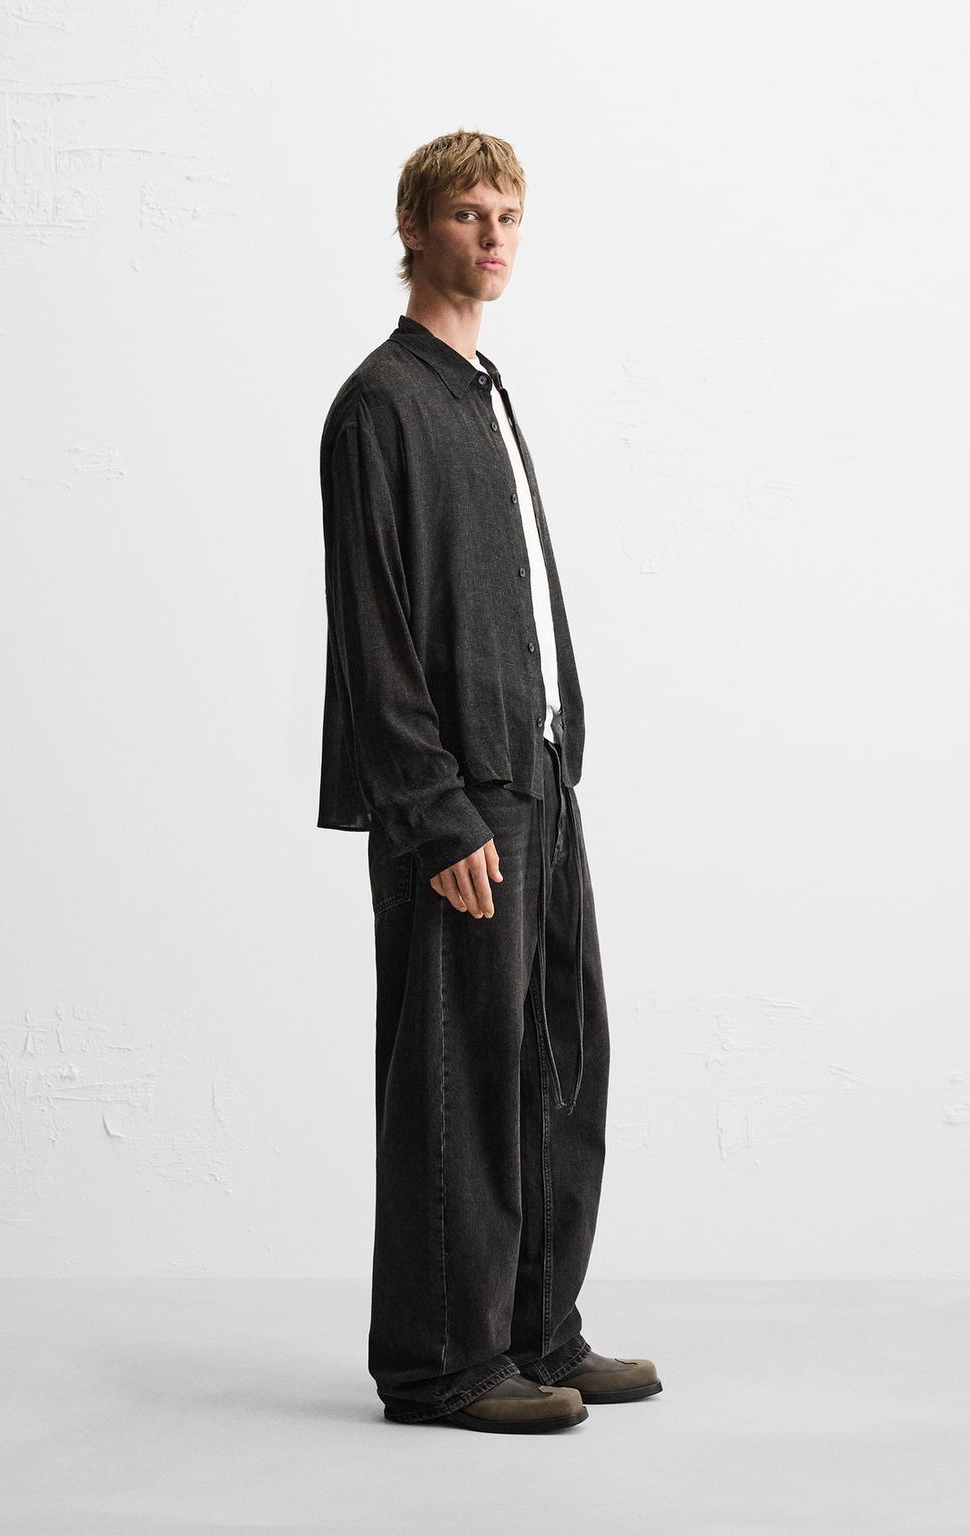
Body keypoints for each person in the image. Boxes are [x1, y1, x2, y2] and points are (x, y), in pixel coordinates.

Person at [316, 128, 662, 1433]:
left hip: (538, 776)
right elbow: (375, 628)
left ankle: (537, 1333)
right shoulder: (382, 404)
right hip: (460, 799)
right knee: (456, 1079)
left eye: (509, 213)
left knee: (559, 1054)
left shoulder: (482, 391)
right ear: (415, 230)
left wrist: (553, 758)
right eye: (468, 213)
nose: (495, 235)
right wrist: (433, 808)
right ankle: (442, 1366)